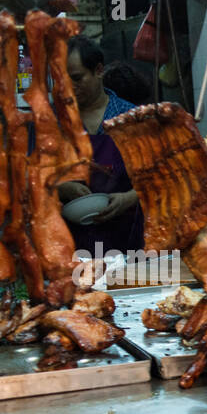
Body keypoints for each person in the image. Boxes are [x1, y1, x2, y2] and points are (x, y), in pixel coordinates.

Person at [57, 37, 144, 256]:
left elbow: (160, 177)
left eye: (77, 78)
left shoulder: (131, 117)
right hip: (70, 244)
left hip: (127, 241)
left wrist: (129, 198)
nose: (70, 88)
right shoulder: (53, 121)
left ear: (98, 70)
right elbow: (31, 177)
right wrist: (61, 188)